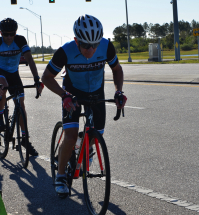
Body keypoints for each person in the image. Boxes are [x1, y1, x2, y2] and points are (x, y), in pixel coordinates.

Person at [42, 14, 127, 196]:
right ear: (76, 40)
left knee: (96, 137)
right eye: (86, 45)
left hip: (96, 92)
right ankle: (61, 175)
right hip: (72, 93)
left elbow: (117, 70)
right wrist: (63, 95)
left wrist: (119, 91)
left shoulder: (106, 46)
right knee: (71, 137)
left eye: (95, 45)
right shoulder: (65, 51)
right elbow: (46, 78)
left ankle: (84, 143)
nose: (91, 49)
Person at [0, 18, 43, 156]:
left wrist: (36, 79)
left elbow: (29, 59)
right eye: (6, 34)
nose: (9, 37)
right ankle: (0, 117)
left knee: (21, 106)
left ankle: (24, 139)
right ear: (1, 33)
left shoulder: (20, 40)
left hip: (14, 74)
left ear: (15, 33)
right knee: (3, 86)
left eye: (12, 34)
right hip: (0, 72)